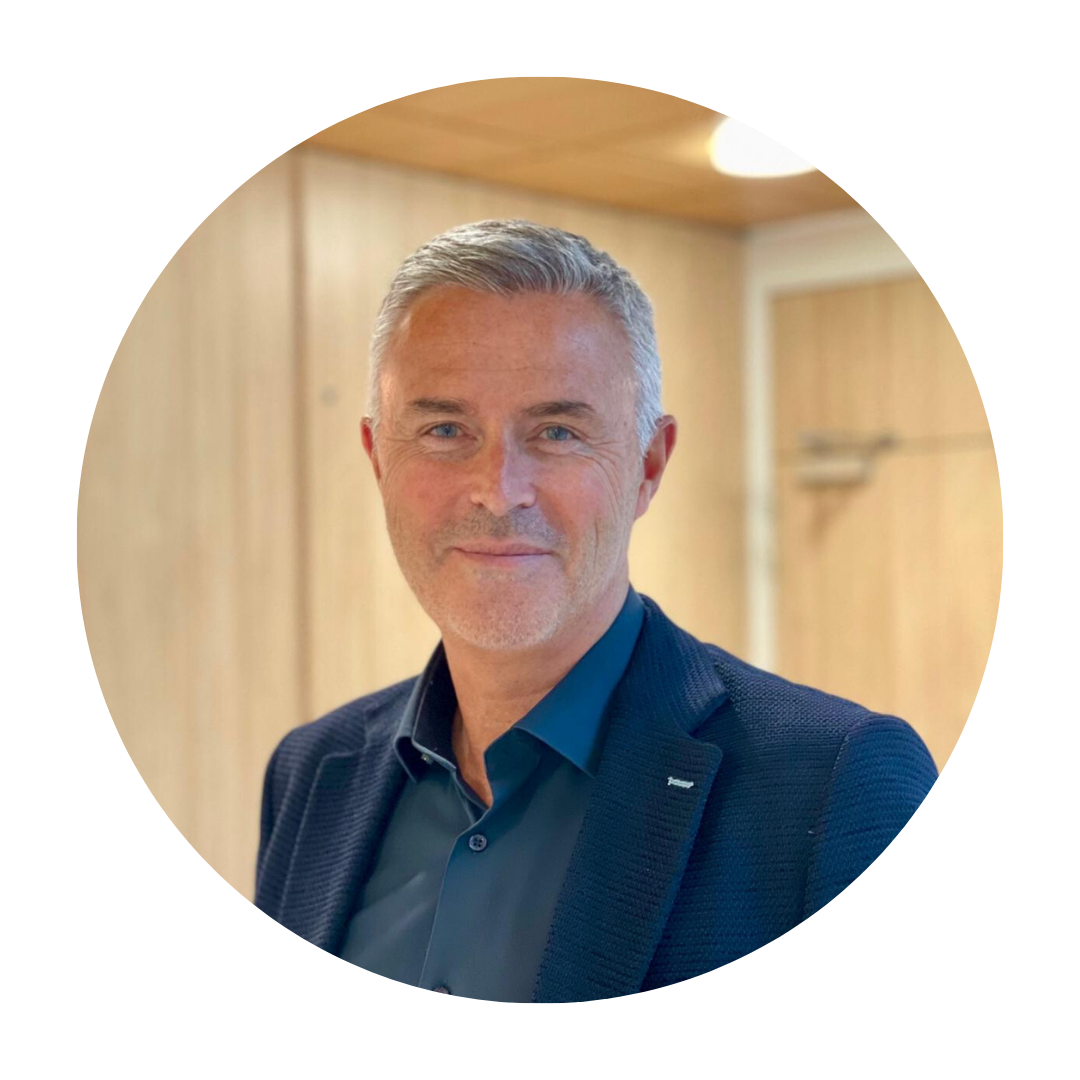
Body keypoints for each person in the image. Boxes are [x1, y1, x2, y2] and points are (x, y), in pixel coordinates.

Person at [254, 219, 938, 1002]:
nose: (498, 490)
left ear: (649, 466)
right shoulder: (312, 772)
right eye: (445, 430)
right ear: (378, 457)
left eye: (557, 431)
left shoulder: (837, 784)